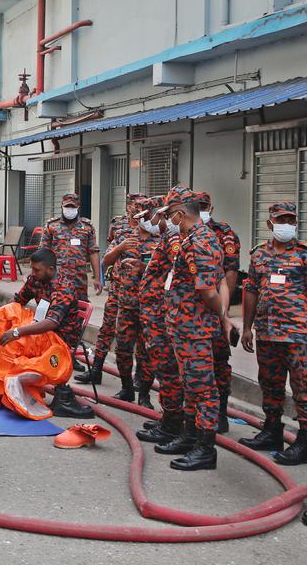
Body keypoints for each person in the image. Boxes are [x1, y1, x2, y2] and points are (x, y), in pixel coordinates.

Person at [156, 186, 228, 471]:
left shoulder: (199, 241)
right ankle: (190, 435)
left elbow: (209, 290)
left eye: (170, 215)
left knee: (203, 389)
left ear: (180, 213)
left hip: (195, 329)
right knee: (190, 385)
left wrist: (222, 315)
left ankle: (205, 448)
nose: (169, 220)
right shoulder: (192, 239)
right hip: (185, 328)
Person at [238, 202, 307, 464]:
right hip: (267, 332)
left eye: (291, 220)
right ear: (270, 224)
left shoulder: (303, 254)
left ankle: (304, 440)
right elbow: (252, 290)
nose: (286, 225)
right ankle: (272, 430)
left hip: (298, 334)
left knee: (303, 388)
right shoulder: (258, 255)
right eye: (281, 220)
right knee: (270, 384)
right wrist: (247, 327)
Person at [0, 248, 94, 418]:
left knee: (16, 343)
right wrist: (2, 316)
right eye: (32, 269)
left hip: (61, 337)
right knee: (5, 339)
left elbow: (52, 323)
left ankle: (19, 387)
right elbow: (17, 301)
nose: (33, 273)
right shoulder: (35, 280)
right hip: (41, 329)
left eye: (37, 270)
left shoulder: (63, 288)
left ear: (51, 269)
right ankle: (3, 386)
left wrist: (16, 332)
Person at [135, 195, 188, 445]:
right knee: (163, 368)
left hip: (162, 314)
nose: (149, 222)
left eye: (151, 217)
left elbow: (177, 278)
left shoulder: (176, 240)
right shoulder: (167, 238)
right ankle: (169, 417)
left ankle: (172, 423)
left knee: (168, 370)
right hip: (154, 314)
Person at [77, 193, 144, 386]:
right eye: (131, 204)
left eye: (139, 206)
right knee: (107, 328)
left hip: (142, 293)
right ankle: (96, 368)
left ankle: (139, 377)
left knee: (140, 336)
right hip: (118, 288)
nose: (134, 208)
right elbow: (108, 256)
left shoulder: (156, 232)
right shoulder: (119, 226)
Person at [102, 197, 159, 408]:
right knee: (123, 349)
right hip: (126, 304)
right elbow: (105, 261)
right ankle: (126, 388)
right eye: (142, 216)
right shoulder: (125, 237)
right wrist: (120, 248)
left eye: (148, 216)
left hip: (150, 306)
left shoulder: (161, 241)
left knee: (147, 352)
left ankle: (144, 395)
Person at [194, 191, 239, 433]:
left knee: (220, 362)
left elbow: (230, 272)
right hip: (193, 313)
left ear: (211, 208)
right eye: (197, 205)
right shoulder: (186, 234)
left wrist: (224, 309)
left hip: (217, 308)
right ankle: (193, 415)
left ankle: (219, 413)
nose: (201, 209)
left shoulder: (224, 233)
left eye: (205, 205)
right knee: (195, 367)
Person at [40, 193, 103, 301]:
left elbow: (93, 252)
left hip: (78, 280)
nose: (70, 209)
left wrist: (97, 278)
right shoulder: (52, 225)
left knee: (79, 309)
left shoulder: (87, 227)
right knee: (54, 309)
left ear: (78, 208)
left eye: (73, 207)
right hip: (56, 278)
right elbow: (43, 252)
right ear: (62, 206)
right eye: (67, 206)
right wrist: (40, 276)